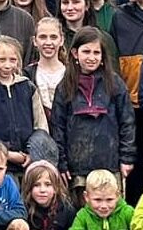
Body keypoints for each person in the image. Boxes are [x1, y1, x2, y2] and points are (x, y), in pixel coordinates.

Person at [50, 27, 135, 192]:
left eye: (96, 53)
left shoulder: (115, 84)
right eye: (86, 52)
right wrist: (62, 163)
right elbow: (58, 127)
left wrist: (127, 157)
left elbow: (127, 122)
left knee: (109, 204)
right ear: (75, 53)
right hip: (77, 169)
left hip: (110, 164)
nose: (91, 57)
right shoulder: (65, 86)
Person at [0, 36, 52, 169]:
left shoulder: (28, 87)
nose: (7, 65)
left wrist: (32, 152)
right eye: (1, 60)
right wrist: (7, 153)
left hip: (30, 159)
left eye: (12, 60)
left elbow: (40, 125)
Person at [29, 15, 69, 112]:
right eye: (43, 37)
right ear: (35, 41)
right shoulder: (27, 74)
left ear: (61, 40)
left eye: (53, 37)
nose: (48, 42)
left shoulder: (71, 73)